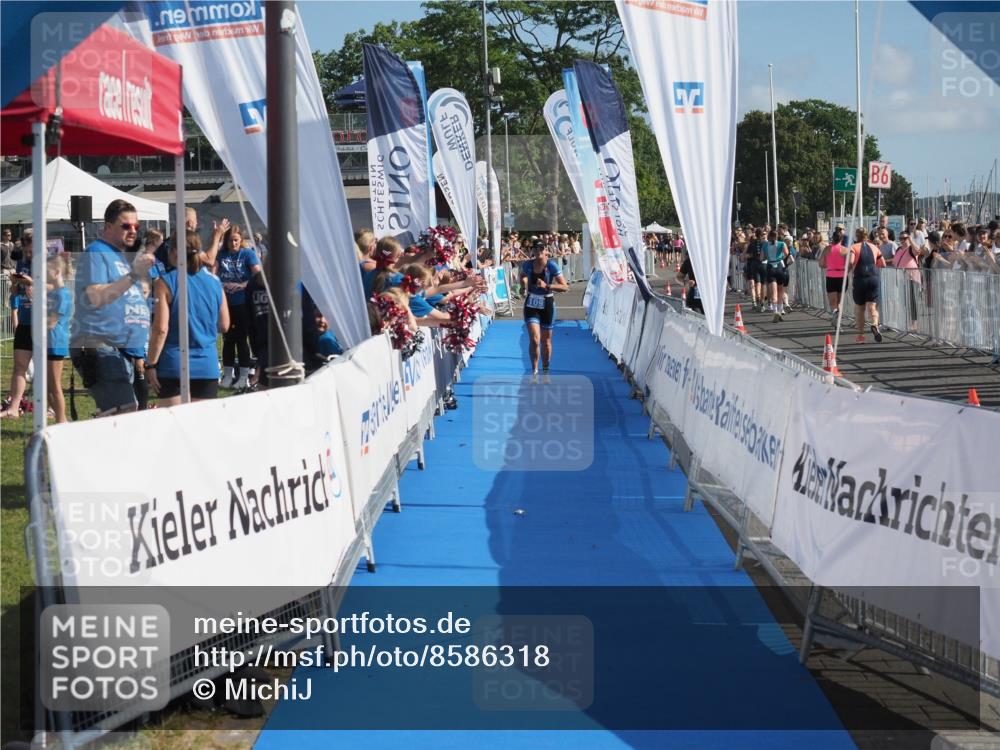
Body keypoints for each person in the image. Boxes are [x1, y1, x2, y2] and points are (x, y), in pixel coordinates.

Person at [70, 200, 155, 416]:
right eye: (126, 226)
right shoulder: (97, 252)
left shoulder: (121, 258)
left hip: (122, 350)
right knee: (122, 412)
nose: (133, 230)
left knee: (122, 411)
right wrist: (134, 274)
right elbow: (96, 296)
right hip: (98, 344)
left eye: (137, 226)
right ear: (107, 227)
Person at [146, 234, 229, 407]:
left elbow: (161, 329)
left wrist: (151, 364)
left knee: (173, 429)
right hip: (207, 364)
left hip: (173, 364)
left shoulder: (165, 282)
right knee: (202, 430)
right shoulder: (215, 282)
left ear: (174, 252)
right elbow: (224, 324)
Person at [215, 223, 261, 390]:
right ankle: (228, 375)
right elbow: (213, 274)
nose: (233, 244)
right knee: (228, 338)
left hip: (242, 301)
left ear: (241, 240)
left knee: (241, 339)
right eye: (230, 241)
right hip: (226, 303)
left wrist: (242, 285)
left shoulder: (247, 254)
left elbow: (258, 275)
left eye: (236, 240)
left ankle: (243, 375)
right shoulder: (221, 255)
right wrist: (221, 286)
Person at [520, 242, 568, 378]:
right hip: (531, 303)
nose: (538, 251)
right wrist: (522, 285)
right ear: (532, 251)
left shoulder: (551, 266)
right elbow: (522, 275)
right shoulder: (528, 264)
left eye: (541, 248)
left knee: (546, 342)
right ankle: (534, 370)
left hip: (547, 303)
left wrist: (547, 286)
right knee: (535, 339)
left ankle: (545, 369)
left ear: (546, 251)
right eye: (535, 248)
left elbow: (565, 287)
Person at [849, 227, 885, 343]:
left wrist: (848, 269)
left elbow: (850, 261)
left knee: (860, 308)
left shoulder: (854, 248)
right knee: (872, 307)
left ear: (856, 236)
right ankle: (874, 324)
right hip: (873, 279)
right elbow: (882, 264)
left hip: (860, 280)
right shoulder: (874, 247)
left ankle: (861, 336)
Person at [891, 230, 924, 332]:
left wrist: (910, 239)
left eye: (905, 238)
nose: (903, 240)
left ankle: (914, 324)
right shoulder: (898, 249)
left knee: (912, 301)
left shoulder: (911, 249)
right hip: (901, 279)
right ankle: (907, 322)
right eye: (901, 238)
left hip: (912, 278)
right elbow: (894, 261)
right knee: (904, 301)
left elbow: (918, 251)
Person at [818, 228, 851, 321]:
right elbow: (850, 263)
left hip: (831, 275)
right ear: (842, 239)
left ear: (832, 238)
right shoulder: (845, 250)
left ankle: (834, 314)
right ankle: (838, 321)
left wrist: (829, 265)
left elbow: (821, 264)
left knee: (833, 302)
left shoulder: (827, 249)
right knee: (840, 302)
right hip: (842, 276)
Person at [761, 229, 790, 322]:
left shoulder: (765, 245)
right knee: (780, 291)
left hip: (770, 267)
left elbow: (761, 258)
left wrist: (767, 257)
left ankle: (775, 311)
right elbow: (786, 254)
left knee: (773, 292)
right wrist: (780, 257)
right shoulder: (782, 244)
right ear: (777, 237)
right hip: (780, 267)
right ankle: (780, 310)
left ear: (769, 237)